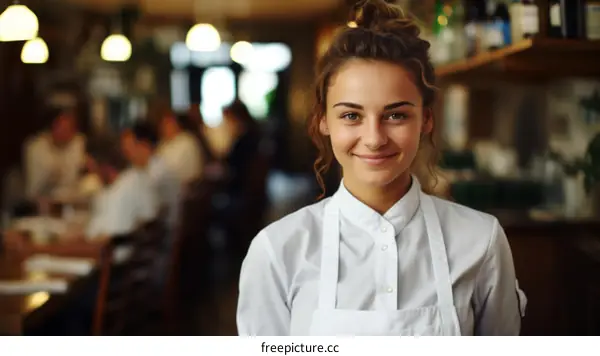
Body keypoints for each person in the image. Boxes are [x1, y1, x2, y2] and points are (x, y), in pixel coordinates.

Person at [237, 0, 526, 336]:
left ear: (426, 119)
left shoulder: (480, 240)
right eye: (351, 115)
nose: (374, 139)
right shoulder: (277, 250)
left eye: (396, 115)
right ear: (323, 121)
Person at [23, 108, 86, 199]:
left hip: (72, 198)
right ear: (54, 127)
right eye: (63, 128)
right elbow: (38, 185)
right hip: (41, 201)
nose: (70, 133)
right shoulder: (36, 148)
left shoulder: (77, 142)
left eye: (72, 128)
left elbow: (75, 174)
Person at [156, 109, 204, 185]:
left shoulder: (188, 141)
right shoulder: (162, 144)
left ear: (176, 124)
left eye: (169, 123)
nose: (166, 127)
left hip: (188, 187)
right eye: (164, 124)